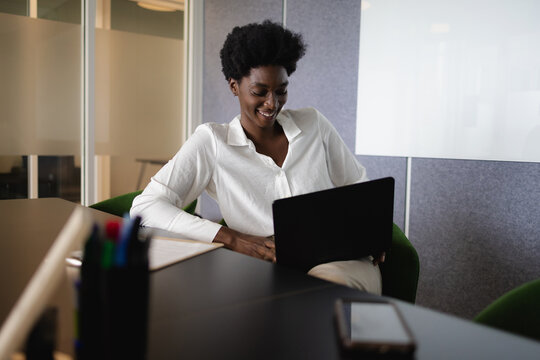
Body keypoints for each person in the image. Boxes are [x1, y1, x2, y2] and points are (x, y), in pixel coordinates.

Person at [130, 20, 384, 294]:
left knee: (323, 294)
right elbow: (146, 206)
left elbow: (357, 183)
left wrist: (370, 232)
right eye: (259, 92)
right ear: (234, 86)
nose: (272, 103)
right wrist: (232, 238)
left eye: (281, 90)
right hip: (269, 266)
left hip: (339, 259)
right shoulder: (213, 142)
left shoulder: (313, 124)